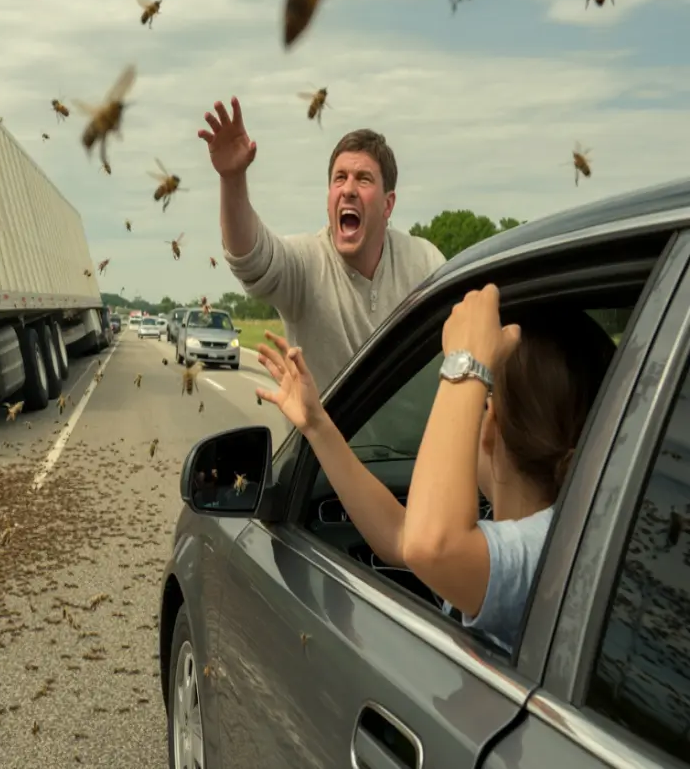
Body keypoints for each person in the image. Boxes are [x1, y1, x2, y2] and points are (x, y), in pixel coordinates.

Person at [253, 284, 617, 653]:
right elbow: (401, 535)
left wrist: (466, 364)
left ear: (488, 425)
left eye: (483, 402)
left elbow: (428, 545)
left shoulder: (547, 550)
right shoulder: (561, 533)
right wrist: (317, 425)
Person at [198, 97, 447, 391]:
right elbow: (250, 257)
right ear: (329, 197)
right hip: (322, 436)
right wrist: (232, 178)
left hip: (412, 438)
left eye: (364, 179)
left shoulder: (424, 262)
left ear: (388, 204)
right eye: (339, 178)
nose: (349, 189)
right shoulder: (305, 263)